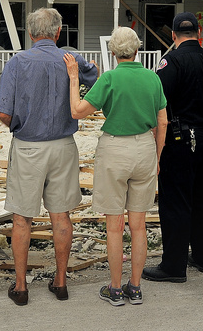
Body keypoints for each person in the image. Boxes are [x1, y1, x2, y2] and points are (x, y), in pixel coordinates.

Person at [0, 7, 98, 306]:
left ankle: (20, 286)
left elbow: (3, 111)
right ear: (58, 32)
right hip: (64, 145)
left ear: (30, 34)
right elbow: (98, 84)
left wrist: (17, 124)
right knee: (61, 214)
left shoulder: (18, 62)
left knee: (21, 217)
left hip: (28, 146)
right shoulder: (71, 59)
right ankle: (61, 281)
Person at [63, 27, 167, 306]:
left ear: (112, 51)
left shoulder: (109, 78)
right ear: (137, 50)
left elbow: (77, 110)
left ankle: (115, 288)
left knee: (114, 225)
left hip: (114, 149)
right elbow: (163, 121)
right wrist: (157, 157)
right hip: (145, 147)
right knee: (139, 225)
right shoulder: (152, 78)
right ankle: (136, 287)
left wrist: (75, 78)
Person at [143, 12, 203, 283]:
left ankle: (173, 265)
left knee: (175, 200)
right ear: (199, 32)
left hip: (179, 136)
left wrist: (158, 140)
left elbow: (159, 105)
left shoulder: (170, 63)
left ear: (173, 35)